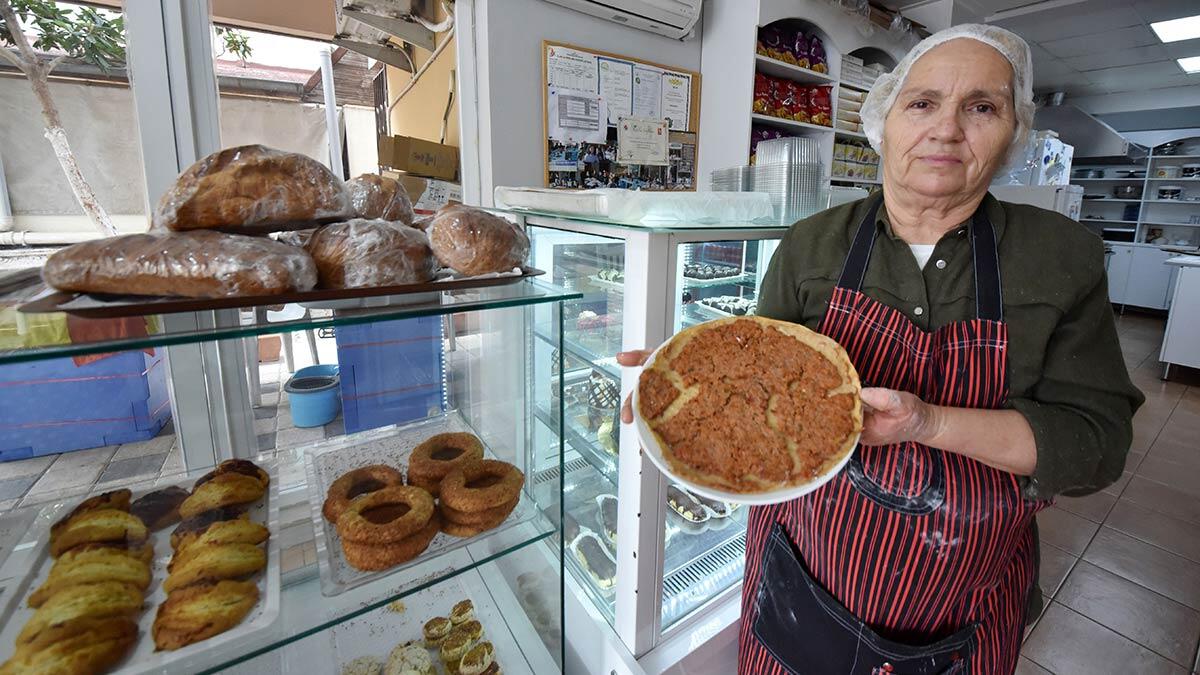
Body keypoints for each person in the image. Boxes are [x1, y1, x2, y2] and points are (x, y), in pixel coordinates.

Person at [619, 24, 1142, 674]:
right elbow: (754, 378)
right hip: (802, 575)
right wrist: (692, 382)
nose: (946, 129)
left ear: (1013, 132)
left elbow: (1096, 446)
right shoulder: (812, 244)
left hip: (963, 600)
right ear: (884, 121)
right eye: (922, 102)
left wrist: (931, 422)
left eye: (981, 106)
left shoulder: (1059, 259)